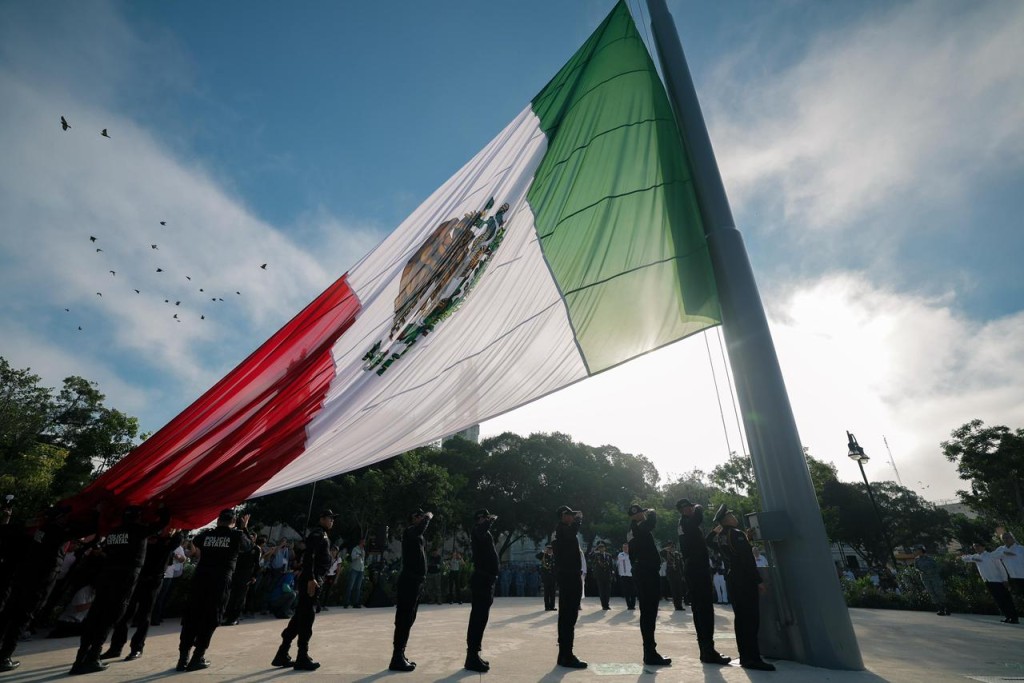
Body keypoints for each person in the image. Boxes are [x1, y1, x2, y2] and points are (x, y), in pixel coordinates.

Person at [0, 504, 86, 672]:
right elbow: (83, 529)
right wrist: (99, 512)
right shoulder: (57, 532)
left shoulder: (41, 529)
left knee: (8, 614)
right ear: (59, 518)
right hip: (38, 582)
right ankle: (4, 657)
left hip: (23, 578)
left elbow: (7, 529)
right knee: (21, 618)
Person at [176, 509, 253, 672]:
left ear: (218, 521)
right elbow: (249, 547)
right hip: (220, 581)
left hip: (200, 578)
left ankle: (183, 658)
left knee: (192, 616)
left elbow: (196, 540)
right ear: (233, 522)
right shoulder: (236, 535)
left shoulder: (206, 535)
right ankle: (197, 657)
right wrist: (244, 528)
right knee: (211, 617)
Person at [708, 506, 775, 671]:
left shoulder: (723, 536)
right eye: (730, 515)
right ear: (726, 519)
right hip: (745, 581)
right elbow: (747, 560)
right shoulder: (737, 534)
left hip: (733, 579)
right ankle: (753, 658)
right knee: (751, 620)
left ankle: (745, 656)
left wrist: (717, 529)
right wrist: (758, 581)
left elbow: (709, 542)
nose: (734, 516)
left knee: (741, 620)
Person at [102, 526, 183, 661]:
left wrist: (177, 529)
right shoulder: (147, 536)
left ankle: (137, 648)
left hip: (153, 581)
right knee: (125, 614)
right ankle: (116, 648)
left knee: (144, 616)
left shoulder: (170, 542)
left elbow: (178, 538)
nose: (166, 529)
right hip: (136, 579)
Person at [272, 509, 336, 671]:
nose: (332, 521)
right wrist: (311, 578)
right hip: (312, 581)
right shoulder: (318, 535)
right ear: (322, 519)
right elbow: (309, 557)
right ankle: (302, 656)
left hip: (313, 579)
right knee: (307, 619)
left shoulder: (322, 534)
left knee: (300, 617)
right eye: (329, 518)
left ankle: (282, 653)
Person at [676, 498, 731, 664]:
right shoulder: (687, 522)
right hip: (696, 568)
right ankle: (708, 651)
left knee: (700, 610)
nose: (692, 509)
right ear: (683, 510)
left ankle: (706, 650)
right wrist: (699, 505)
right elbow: (699, 517)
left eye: (691, 507)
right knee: (705, 609)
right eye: (688, 508)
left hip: (694, 567)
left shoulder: (685, 524)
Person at [626, 504, 671, 666]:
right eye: (641, 513)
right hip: (645, 572)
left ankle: (650, 652)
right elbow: (651, 522)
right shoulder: (639, 528)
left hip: (643, 570)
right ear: (635, 516)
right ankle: (650, 653)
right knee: (649, 611)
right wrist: (652, 511)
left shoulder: (634, 530)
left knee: (649, 611)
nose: (644, 515)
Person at [390, 508, 433, 672]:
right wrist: (428, 517)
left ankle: (400, 654)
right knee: (404, 618)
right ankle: (397, 657)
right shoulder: (410, 532)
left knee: (409, 619)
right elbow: (421, 527)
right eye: (418, 516)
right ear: (412, 519)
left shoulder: (418, 535)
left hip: (416, 582)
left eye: (422, 515)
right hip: (409, 581)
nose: (421, 517)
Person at [465, 509, 498, 673]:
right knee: (478, 619)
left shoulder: (484, 533)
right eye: (482, 518)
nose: (484, 520)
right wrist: (488, 521)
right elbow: (481, 530)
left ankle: (474, 654)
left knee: (481, 618)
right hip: (482, 580)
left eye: (485, 517)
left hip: (488, 580)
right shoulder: (478, 531)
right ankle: (471, 657)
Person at [552, 505, 586, 668]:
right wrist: (578, 521)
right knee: (568, 615)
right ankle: (567, 655)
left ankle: (564, 654)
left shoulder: (563, 530)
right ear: (563, 516)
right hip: (568, 576)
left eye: (574, 515)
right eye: (570, 515)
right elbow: (571, 534)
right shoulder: (562, 529)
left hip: (571, 575)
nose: (573, 517)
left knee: (568, 615)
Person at [961, 542, 1019, 624]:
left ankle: (1014, 618)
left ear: (983, 547)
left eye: (978, 546)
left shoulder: (992, 555)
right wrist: (973, 559)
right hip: (988, 582)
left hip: (998, 581)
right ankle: (1008, 616)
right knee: (999, 601)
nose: (976, 548)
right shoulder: (976, 556)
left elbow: (1001, 568)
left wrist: (1005, 579)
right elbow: (963, 558)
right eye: (975, 547)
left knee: (1006, 600)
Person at [895, 545, 949, 616]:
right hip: (925, 578)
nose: (915, 551)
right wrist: (920, 571)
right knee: (931, 593)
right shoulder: (917, 560)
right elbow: (916, 568)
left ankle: (946, 608)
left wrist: (932, 571)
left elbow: (938, 567)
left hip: (934, 577)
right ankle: (940, 609)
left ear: (921, 550)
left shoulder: (930, 558)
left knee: (938, 592)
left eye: (916, 550)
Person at [223, 533, 262, 625]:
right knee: (230, 596)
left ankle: (234, 618)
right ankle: (227, 615)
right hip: (234, 574)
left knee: (239, 598)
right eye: (249, 537)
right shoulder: (239, 548)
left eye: (253, 537)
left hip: (246, 576)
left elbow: (257, 565)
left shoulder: (256, 549)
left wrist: (254, 576)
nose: (250, 538)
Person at [151, 536, 187, 625]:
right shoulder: (158, 543)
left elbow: (183, 559)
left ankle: (156, 618)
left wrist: (175, 555)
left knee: (161, 597)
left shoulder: (178, 547)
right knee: (152, 596)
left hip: (168, 575)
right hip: (156, 573)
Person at [996, 532, 1024, 603]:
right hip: (1012, 578)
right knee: (1018, 599)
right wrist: (1003, 553)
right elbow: (991, 556)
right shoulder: (1001, 549)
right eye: (1003, 538)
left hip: (1023, 577)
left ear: (1012, 538)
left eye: (1007, 537)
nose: (1005, 539)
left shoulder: (1021, 549)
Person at [661, 542, 687, 611]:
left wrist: (683, 575)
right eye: (670, 547)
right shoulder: (666, 554)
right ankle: (677, 606)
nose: (671, 548)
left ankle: (680, 605)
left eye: (672, 547)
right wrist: (666, 549)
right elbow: (661, 552)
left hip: (678, 574)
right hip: (671, 575)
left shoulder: (677, 554)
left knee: (679, 591)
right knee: (674, 591)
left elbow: (681, 565)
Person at [589, 542, 615, 610]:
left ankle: (607, 604)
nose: (601, 549)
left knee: (608, 591)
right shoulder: (596, 555)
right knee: (602, 591)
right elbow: (589, 556)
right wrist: (595, 549)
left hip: (607, 576)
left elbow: (611, 565)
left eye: (602, 547)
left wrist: (612, 574)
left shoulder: (608, 555)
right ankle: (604, 605)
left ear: (605, 548)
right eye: (600, 548)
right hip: (600, 576)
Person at [344, 538, 365, 608]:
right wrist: (358, 555)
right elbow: (353, 557)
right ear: (360, 542)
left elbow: (363, 560)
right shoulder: (355, 549)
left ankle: (355, 603)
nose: (364, 543)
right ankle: (346, 602)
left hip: (361, 570)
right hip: (354, 570)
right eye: (363, 542)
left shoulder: (363, 550)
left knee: (358, 588)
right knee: (350, 586)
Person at [318, 546, 340, 612]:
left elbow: (338, 570)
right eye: (332, 550)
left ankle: (324, 606)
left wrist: (336, 579)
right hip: (325, 576)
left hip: (332, 576)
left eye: (335, 550)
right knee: (321, 590)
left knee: (328, 591)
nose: (333, 552)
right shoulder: (327, 557)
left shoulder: (338, 559)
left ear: (337, 552)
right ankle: (318, 605)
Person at [616, 543, 636, 610]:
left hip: (632, 575)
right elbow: (624, 559)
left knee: (633, 591)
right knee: (626, 591)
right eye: (623, 547)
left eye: (626, 547)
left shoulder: (633, 553)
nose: (625, 549)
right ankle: (629, 605)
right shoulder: (621, 555)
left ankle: (633, 605)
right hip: (624, 575)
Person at [537, 545, 556, 611]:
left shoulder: (555, 557)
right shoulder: (544, 556)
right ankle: (547, 607)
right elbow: (537, 556)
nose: (550, 550)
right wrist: (543, 552)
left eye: (551, 549)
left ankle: (552, 606)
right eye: (548, 549)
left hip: (553, 578)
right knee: (547, 593)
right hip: (546, 578)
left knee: (553, 593)